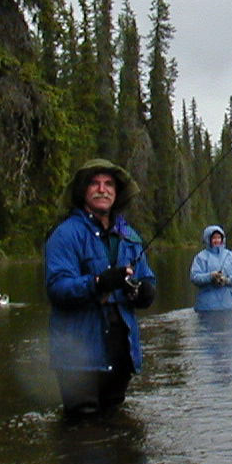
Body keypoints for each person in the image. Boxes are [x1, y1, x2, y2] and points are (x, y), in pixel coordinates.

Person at [45, 159, 156, 417]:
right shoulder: (65, 234)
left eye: (108, 184)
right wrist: (98, 283)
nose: (102, 189)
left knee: (116, 420)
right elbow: (57, 288)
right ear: (83, 191)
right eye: (94, 184)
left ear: (117, 193)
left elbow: (146, 277)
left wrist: (146, 291)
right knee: (83, 427)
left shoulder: (129, 236)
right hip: (77, 355)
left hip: (121, 350)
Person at [189, 224, 232, 311]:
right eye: (214, 238)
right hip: (206, 307)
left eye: (219, 238)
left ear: (222, 239)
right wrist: (210, 276)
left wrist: (227, 280)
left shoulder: (230, 256)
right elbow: (195, 277)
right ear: (208, 240)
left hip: (229, 305)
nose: (217, 240)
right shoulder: (200, 257)